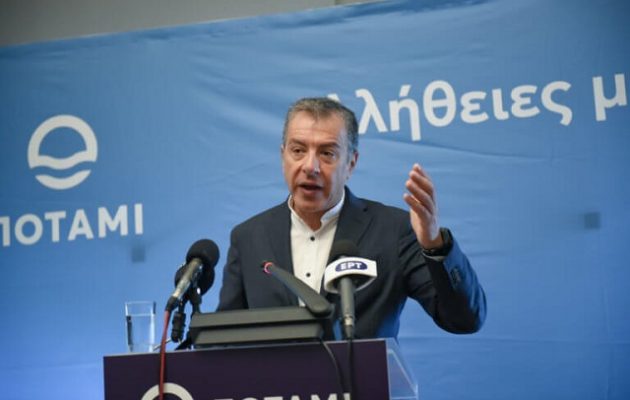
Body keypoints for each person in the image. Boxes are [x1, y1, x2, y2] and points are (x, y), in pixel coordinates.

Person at [217, 97, 486, 338]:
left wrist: (434, 245)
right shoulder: (248, 237)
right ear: (282, 156)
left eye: (327, 153)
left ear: (351, 164)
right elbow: (222, 340)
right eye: (298, 150)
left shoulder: (393, 230)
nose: (310, 166)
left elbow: (465, 319)